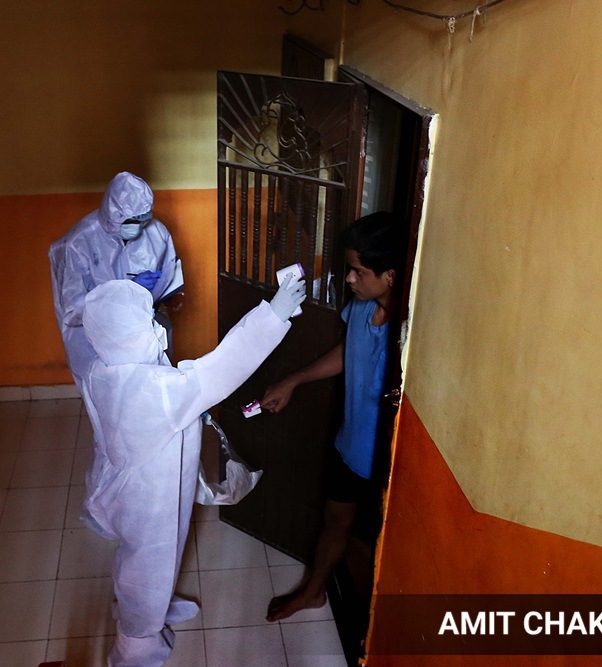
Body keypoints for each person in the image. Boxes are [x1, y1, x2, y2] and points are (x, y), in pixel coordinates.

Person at [79, 274, 307, 667]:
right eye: (147, 320)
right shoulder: (158, 387)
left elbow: (165, 393)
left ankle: (148, 610)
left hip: (132, 486)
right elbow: (222, 367)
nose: (158, 324)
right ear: (128, 335)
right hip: (150, 496)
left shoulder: (105, 367)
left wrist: (184, 411)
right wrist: (274, 314)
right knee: (148, 564)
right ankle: (135, 645)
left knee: (143, 559)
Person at [260, 211, 402, 622]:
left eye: (358, 271)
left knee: (381, 540)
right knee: (335, 521)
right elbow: (347, 353)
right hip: (351, 444)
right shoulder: (361, 307)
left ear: (390, 276)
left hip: (387, 462)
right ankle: (315, 591)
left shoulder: (409, 330)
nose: (351, 279)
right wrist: (293, 381)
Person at [49, 171, 180, 388]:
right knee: (111, 400)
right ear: (113, 214)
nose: (136, 225)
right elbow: (72, 309)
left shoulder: (157, 233)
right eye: (129, 220)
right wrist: (127, 291)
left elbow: (170, 276)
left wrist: (160, 289)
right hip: (99, 339)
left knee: (153, 391)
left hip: (145, 331)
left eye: (142, 218)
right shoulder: (80, 241)